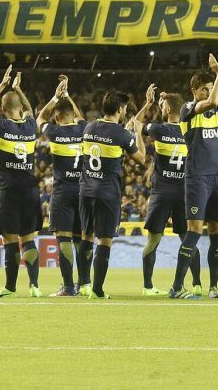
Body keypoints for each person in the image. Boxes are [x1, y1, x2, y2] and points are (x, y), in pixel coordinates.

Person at [172, 50, 218, 300]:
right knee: (194, 231)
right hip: (197, 177)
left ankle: (213, 286)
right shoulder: (187, 109)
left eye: (209, 88)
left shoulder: (212, 111)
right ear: (195, 91)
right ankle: (177, 286)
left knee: (216, 233)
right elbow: (213, 102)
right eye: (204, 88)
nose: (208, 91)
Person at [0, 66, 43, 299]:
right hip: (30, 191)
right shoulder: (31, 127)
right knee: (28, 239)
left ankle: (10, 286)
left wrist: (3, 84)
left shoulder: (1, 125)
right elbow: (29, 109)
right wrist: (18, 88)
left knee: (9, 238)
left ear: (4, 109)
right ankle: (35, 285)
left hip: (9, 191)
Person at [78, 89, 144, 299]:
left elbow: (109, 136)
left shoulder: (90, 126)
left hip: (86, 190)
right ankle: (97, 290)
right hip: (107, 193)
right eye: (124, 108)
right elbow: (141, 158)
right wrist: (138, 134)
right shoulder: (122, 134)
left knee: (86, 237)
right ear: (119, 109)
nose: (125, 111)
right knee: (105, 241)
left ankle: (84, 284)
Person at [143, 90, 201, 298]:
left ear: (166, 110)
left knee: (153, 240)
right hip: (184, 192)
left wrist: (150, 103)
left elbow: (138, 125)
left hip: (161, 192)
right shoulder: (191, 131)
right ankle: (197, 284)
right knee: (188, 238)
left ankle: (148, 287)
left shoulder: (158, 129)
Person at [36, 74, 87, 297]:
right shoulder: (84, 129)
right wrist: (68, 96)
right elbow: (81, 117)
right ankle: (84, 285)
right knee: (81, 238)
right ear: (73, 117)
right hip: (84, 190)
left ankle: (67, 287)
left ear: (57, 118)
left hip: (63, 191)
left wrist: (56, 98)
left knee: (64, 238)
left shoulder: (54, 132)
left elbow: (39, 117)